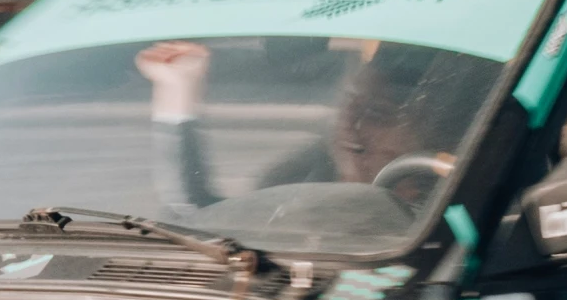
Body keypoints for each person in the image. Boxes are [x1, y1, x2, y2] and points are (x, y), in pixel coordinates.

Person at [135, 39, 460, 214]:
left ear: (433, 137)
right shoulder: (292, 192)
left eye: (378, 113)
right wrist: (178, 86)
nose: (351, 124)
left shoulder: (447, 222)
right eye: (349, 103)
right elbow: (202, 218)